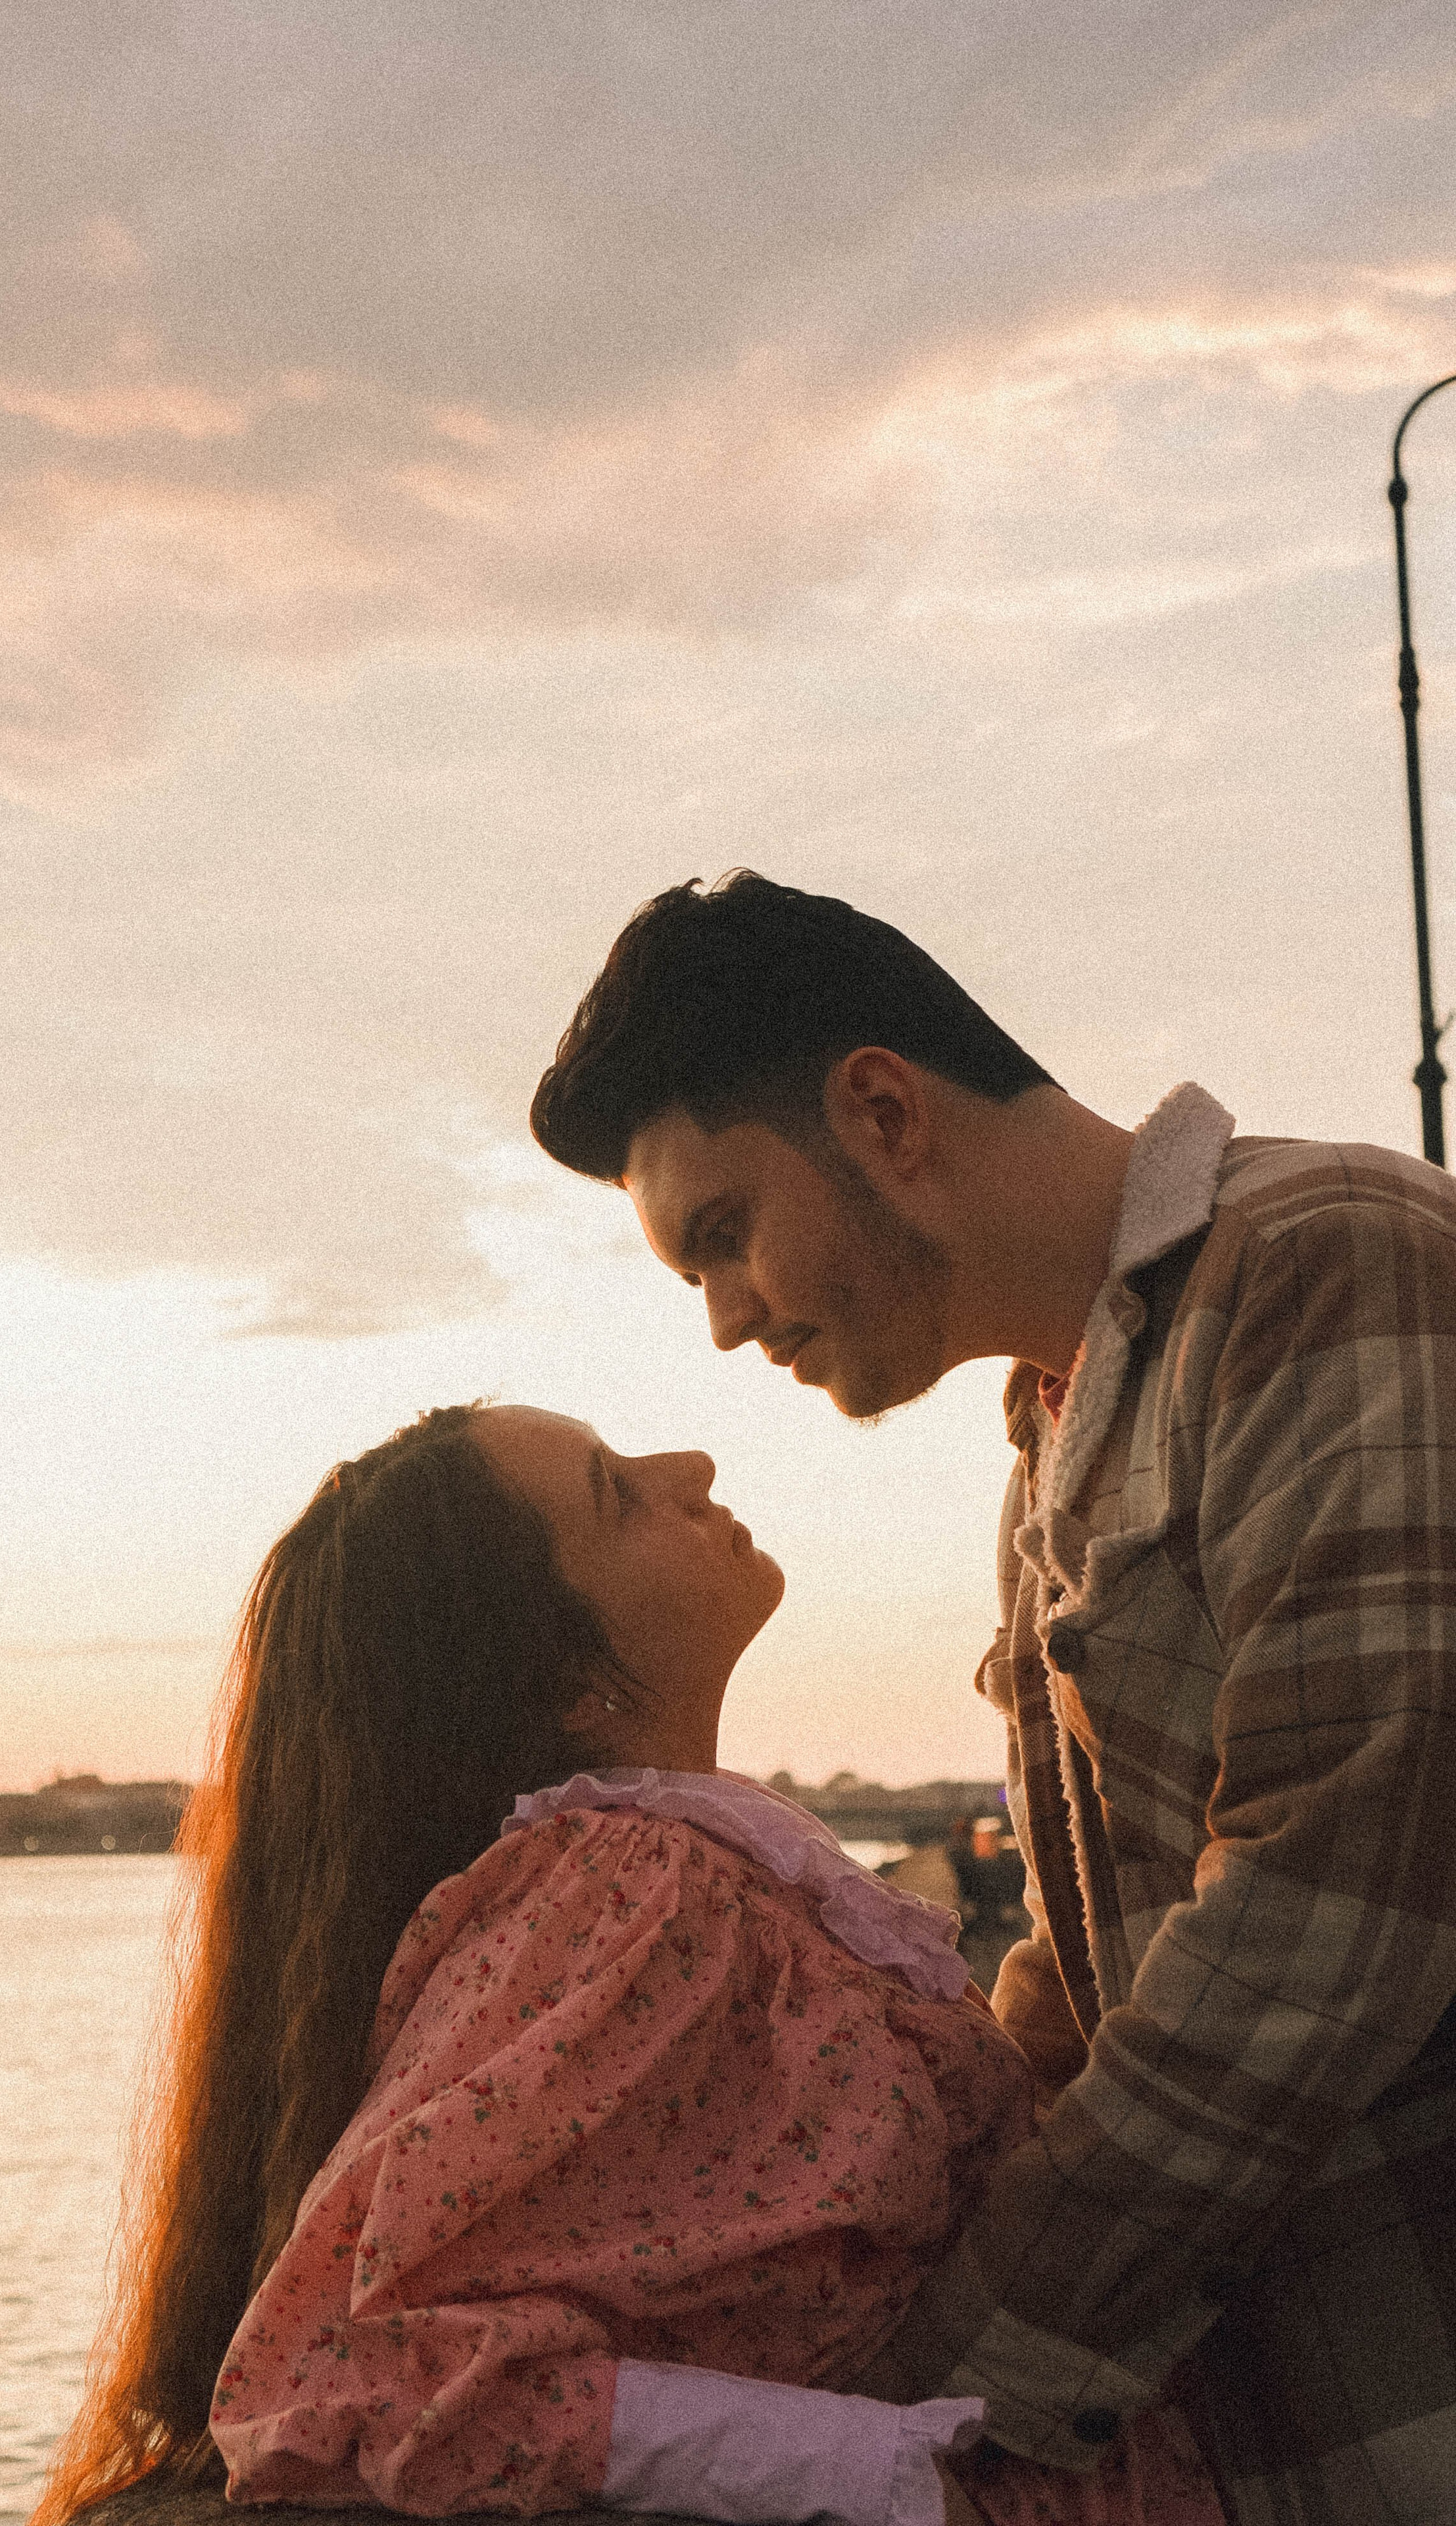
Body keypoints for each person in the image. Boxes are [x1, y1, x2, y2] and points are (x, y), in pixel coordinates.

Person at [531, 869, 1456, 2525]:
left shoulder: (1330, 1263)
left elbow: (1327, 1915)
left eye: (724, 1234)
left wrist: (923, 2398)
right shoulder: (1049, 1437)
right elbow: (1094, 1963)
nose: (728, 1322)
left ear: (880, 1111)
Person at [32, 1403, 1218, 2526]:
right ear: (571, 1686)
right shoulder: (629, 1890)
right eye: (617, 1494)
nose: (689, 1470)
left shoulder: (700, 1874)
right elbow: (355, 2375)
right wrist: (877, 2469)